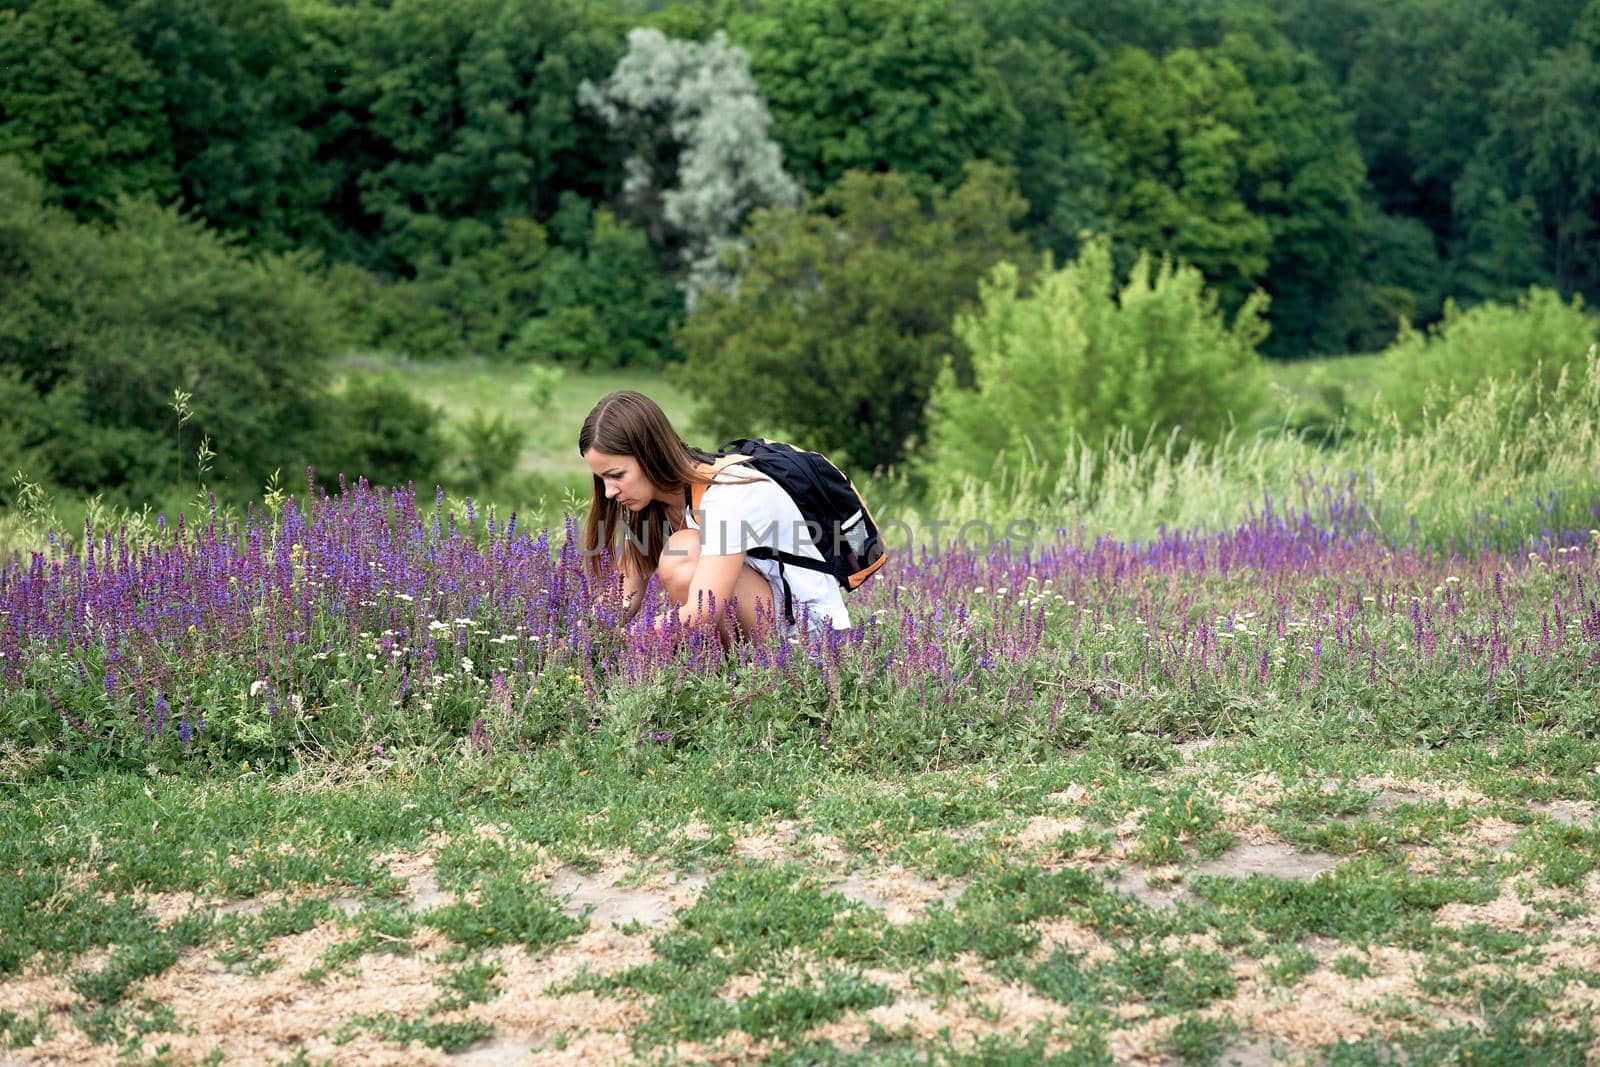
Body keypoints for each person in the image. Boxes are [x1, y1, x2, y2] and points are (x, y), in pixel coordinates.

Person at [579, 390, 851, 641]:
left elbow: (702, 612)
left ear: (650, 455)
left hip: (811, 632)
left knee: (683, 553)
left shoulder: (727, 494)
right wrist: (582, 636)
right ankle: (723, 674)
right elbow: (624, 594)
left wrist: (628, 639)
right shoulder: (651, 506)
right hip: (766, 616)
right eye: (602, 478)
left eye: (616, 475)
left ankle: (732, 676)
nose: (608, 492)